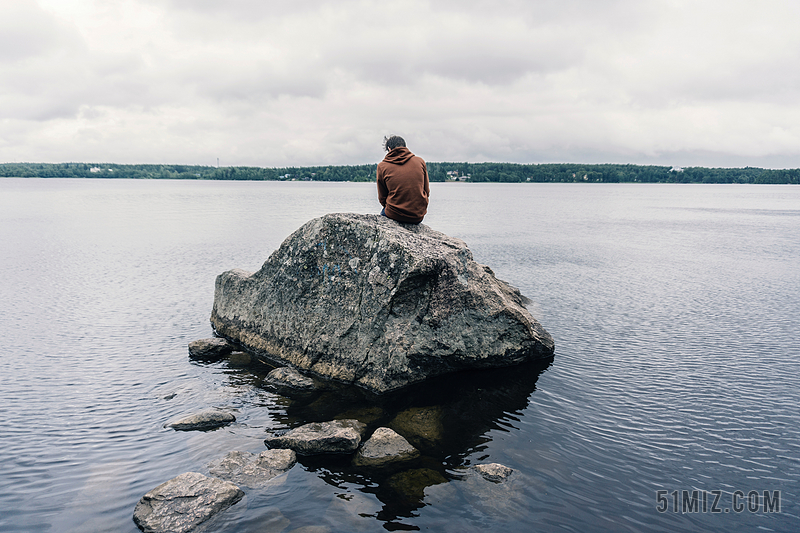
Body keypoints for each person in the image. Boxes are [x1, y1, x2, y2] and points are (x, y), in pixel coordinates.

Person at [377, 135, 430, 224]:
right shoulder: (420, 161)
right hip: (417, 216)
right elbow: (426, 191)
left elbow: (382, 198)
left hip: (394, 214)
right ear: (405, 147)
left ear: (389, 149)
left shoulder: (382, 166)